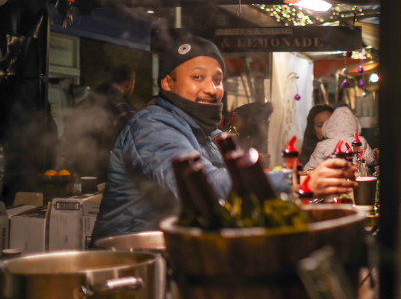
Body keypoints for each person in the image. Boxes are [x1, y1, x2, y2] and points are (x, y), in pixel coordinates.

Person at [92, 36, 357, 240]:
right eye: (197, 78)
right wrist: (301, 181)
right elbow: (205, 185)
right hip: (134, 263)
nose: (211, 88)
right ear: (167, 83)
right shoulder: (151, 128)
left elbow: (240, 179)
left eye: (217, 80)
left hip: (181, 254)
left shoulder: (208, 133)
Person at [59, 63, 137, 182]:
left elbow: (66, 144)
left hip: (79, 182)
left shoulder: (83, 105)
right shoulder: (123, 109)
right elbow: (136, 152)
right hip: (112, 184)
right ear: (129, 82)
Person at [303, 105, 374, 171]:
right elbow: (371, 159)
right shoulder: (361, 141)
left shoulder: (322, 145)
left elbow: (309, 168)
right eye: (319, 125)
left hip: (332, 179)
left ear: (327, 126)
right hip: (357, 177)